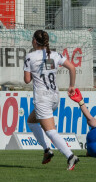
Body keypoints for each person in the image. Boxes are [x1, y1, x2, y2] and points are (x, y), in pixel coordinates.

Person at [24, 29, 79, 170]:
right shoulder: (54, 55)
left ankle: (70, 156)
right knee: (31, 121)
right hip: (55, 97)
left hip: (42, 98)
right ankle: (47, 150)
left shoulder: (30, 56)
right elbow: (72, 68)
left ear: (35, 41)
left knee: (50, 131)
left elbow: (27, 80)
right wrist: (71, 86)